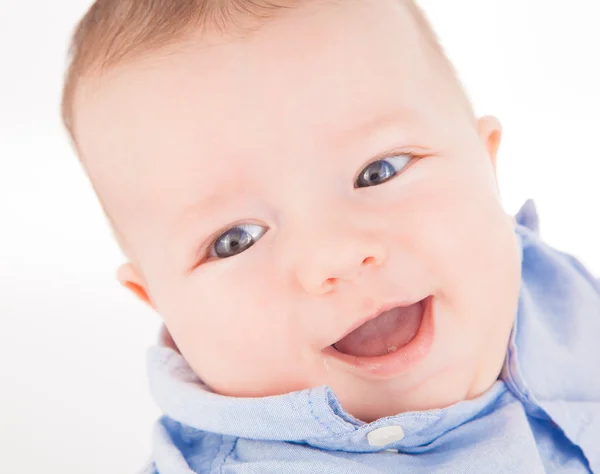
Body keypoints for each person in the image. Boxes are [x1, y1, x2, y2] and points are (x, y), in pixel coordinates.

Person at [61, 0, 600, 472]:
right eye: (236, 239)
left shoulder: (558, 295)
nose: (335, 255)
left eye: (381, 170)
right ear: (161, 305)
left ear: (487, 164)